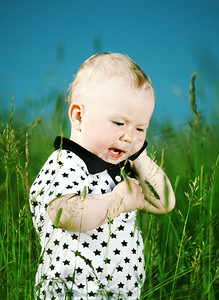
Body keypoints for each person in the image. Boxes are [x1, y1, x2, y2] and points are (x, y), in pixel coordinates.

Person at [29, 52, 175, 300]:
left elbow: (164, 202)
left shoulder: (119, 169)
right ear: (79, 116)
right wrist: (117, 202)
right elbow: (63, 214)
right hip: (73, 292)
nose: (129, 136)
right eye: (119, 123)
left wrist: (140, 158)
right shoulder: (66, 163)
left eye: (140, 128)